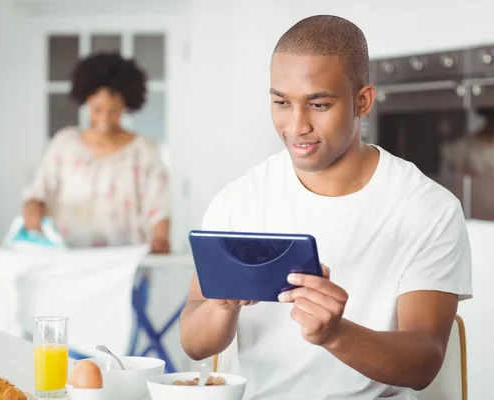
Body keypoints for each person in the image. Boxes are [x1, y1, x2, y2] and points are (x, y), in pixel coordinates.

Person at [180, 15, 472, 399]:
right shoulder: (241, 200)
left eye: (318, 104)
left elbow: (424, 362)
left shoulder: (427, 210)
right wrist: (222, 307)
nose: (296, 125)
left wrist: (336, 334)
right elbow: (194, 344)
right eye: (281, 102)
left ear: (362, 101)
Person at [22, 52, 171, 253]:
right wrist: (33, 207)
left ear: (126, 105)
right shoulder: (64, 143)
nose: (105, 119)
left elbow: (158, 205)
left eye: (114, 110)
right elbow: (40, 190)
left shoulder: (144, 150)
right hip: (67, 257)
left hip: (126, 261)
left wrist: (161, 237)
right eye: (97, 109)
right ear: (86, 101)